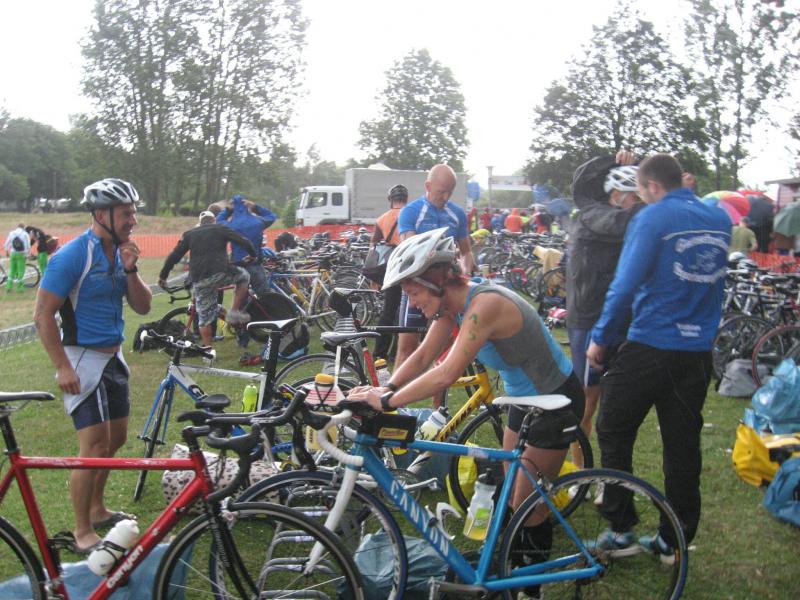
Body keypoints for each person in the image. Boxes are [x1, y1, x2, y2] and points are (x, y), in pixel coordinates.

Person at [348, 227, 584, 599]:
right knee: (512, 490)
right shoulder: (450, 308)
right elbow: (422, 357)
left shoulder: (483, 305)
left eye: (413, 293)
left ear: (436, 281)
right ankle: (510, 568)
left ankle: (530, 590)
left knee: (529, 505)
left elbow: (446, 372)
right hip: (523, 400)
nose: (412, 303)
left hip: (555, 399)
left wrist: (388, 402)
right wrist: (386, 389)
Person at [586, 154, 730, 561]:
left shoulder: (651, 218)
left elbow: (625, 284)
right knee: (682, 446)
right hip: (696, 352)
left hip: (651, 344)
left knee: (613, 426)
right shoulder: (719, 218)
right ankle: (674, 540)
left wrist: (600, 337)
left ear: (651, 186)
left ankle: (621, 529)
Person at [33, 178, 152, 554]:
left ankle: (98, 510)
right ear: (101, 214)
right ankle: (82, 530)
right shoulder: (71, 256)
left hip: (114, 358)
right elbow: (42, 315)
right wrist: (62, 367)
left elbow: (143, 307)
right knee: (94, 446)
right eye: (126, 213)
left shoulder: (121, 253)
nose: (133, 220)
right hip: (82, 358)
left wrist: (131, 269)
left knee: (115, 440)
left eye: (134, 212)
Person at [565, 152, 643, 476]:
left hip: (619, 319)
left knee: (617, 405)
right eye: (636, 197)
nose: (639, 204)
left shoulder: (621, 216)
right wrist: (612, 160)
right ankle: (579, 471)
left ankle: (608, 474)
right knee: (587, 402)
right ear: (617, 194)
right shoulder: (593, 216)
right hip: (589, 320)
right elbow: (585, 183)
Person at [395, 164, 475, 370]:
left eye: (450, 192)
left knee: (444, 351)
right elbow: (409, 251)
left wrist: (465, 273)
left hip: (446, 291)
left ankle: (435, 392)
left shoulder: (457, 214)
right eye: (441, 192)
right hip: (417, 289)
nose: (446, 197)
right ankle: (394, 391)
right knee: (407, 349)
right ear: (428, 186)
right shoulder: (411, 212)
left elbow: (466, 252)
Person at [158, 211, 257, 346]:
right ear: (214, 220)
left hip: (199, 279)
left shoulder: (190, 234)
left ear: (200, 222)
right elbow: (243, 241)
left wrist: (163, 276)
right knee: (244, 276)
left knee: (204, 318)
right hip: (220, 272)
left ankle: (208, 351)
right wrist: (252, 254)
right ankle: (233, 312)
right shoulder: (220, 228)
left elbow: (174, 256)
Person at [371, 184, 409, 360]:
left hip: (391, 267)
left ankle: (380, 352)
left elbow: (373, 246)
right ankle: (397, 351)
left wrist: (374, 277)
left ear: (390, 200)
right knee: (406, 310)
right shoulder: (412, 214)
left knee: (388, 310)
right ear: (406, 199)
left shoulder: (382, 219)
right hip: (409, 265)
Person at [216, 194, 276, 297]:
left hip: (238, 265)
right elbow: (271, 216)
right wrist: (255, 207)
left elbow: (218, 221)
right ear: (247, 208)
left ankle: (243, 306)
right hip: (255, 263)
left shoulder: (230, 226)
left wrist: (228, 210)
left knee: (241, 295)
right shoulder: (257, 222)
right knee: (265, 296)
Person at [4, 223, 30, 291]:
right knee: (21, 271)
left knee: (12, 270)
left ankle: (8, 286)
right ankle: (19, 288)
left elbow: (6, 244)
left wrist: (7, 252)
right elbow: (27, 245)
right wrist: (27, 255)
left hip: (12, 253)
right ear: (23, 227)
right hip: (21, 254)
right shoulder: (25, 234)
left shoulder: (11, 233)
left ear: (17, 227)